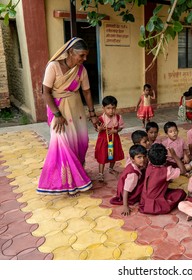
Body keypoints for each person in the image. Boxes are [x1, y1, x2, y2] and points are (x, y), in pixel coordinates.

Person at [37, 37, 98, 196]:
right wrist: (57, 115)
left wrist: (92, 114)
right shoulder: (53, 67)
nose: (84, 59)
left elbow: (87, 92)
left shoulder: (81, 70)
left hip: (76, 110)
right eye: (82, 55)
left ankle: (77, 177)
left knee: (79, 143)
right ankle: (66, 182)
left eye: (86, 56)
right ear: (70, 52)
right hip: (58, 111)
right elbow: (46, 92)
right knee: (62, 143)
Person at [139, 143, 187, 214]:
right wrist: (174, 156)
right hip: (155, 205)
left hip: (144, 201)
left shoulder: (149, 164)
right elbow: (183, 171)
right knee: (181, 193)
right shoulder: (167, 171)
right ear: (165, 158)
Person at [110, 145, 148, 216]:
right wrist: (125, 206)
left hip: (123, 189)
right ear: (132, 159)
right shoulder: (133, 175)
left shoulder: (131, 164)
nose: (143, 159)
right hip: (129, 195)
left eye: (144, 156)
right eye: (139, 157)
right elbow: (126, 190)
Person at [94, 96, 125, 182]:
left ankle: (111, 168)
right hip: (103, 140)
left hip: (114, 139)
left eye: (113, 108)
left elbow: (121, 127)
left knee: (113, 154)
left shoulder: (118, 117)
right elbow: (97, 129)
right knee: (102, 155)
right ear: (103, 108)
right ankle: (100, 173)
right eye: (108, 108)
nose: (111, 111)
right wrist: (99, 129)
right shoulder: (100, 119)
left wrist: (116, 130)